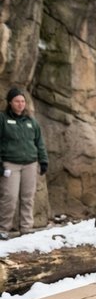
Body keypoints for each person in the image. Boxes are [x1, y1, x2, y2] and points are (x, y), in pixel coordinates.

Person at [0, 88, 48, 240]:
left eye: (22, 101)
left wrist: (43, 160)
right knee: (9, 197)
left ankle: (26, 228)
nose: (20, 104)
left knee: (28, 197)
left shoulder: (31, 122)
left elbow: (39, 142)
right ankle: (3, 228)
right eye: (17, 101)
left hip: (30, 164)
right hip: (10, 164)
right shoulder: (3, 119)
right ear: (10, 102)